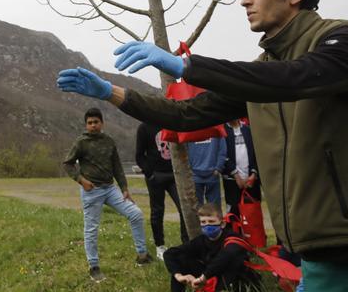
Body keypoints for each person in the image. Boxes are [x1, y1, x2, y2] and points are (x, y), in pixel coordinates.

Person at [56, 0, 348, 289]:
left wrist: (188, 66)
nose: (244, 1)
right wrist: (112, 93)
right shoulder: (263, 70)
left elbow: (296, 77)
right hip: (315, 248)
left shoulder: (347, 41)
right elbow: (187, 114)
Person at [63, 108, 152, 283]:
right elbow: (68, 163)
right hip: (91, 191)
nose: (93, 125)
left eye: (96, 122)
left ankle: (142, 255)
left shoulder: (109, 141)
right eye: (89, 123)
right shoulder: (81, 142)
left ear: (102, 123)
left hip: (111, 189)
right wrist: (81, 180)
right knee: (91, 229)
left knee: (136, 214)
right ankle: (94, 266)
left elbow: (117, 166)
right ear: (86, 125)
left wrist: (124, 188)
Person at [164, 203, 260, 292]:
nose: (207, 225)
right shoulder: (201, 240)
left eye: (211, 221)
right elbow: (170, 253)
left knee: (232, 263)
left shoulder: (233, 238)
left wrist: (203, 277)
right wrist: (179, 276)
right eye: (203, 222)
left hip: (234, 278)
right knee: (181, 258)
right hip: (211, 276)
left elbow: (226, 256)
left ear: (222, 224)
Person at [135, 122, 189, 258]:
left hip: (174, 175)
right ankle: (160, 245)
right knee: (157, 211)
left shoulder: (171, 123)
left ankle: (186, 243)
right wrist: (150, 174)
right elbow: (139, 155)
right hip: (155, 176)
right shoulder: (144, 127)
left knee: (183, 207)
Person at [222, 119, 261, 219]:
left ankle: (254, 234)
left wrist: (253, 174)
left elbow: (257, 153)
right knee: (234, 213)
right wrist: (236, 176)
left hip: (251, 180)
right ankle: (236, 234)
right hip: (232, 180)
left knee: (253, 213)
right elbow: (222, 155)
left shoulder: (248, 130)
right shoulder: (222, 131)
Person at [187, 136, 226, 207]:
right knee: (197, 209)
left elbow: (222, 149)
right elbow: (183, 149)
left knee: (214, 209)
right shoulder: (189, 128)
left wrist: (218, 168)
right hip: (194, 175)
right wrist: (188, 170)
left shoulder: (215, 127)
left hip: (213, 174)